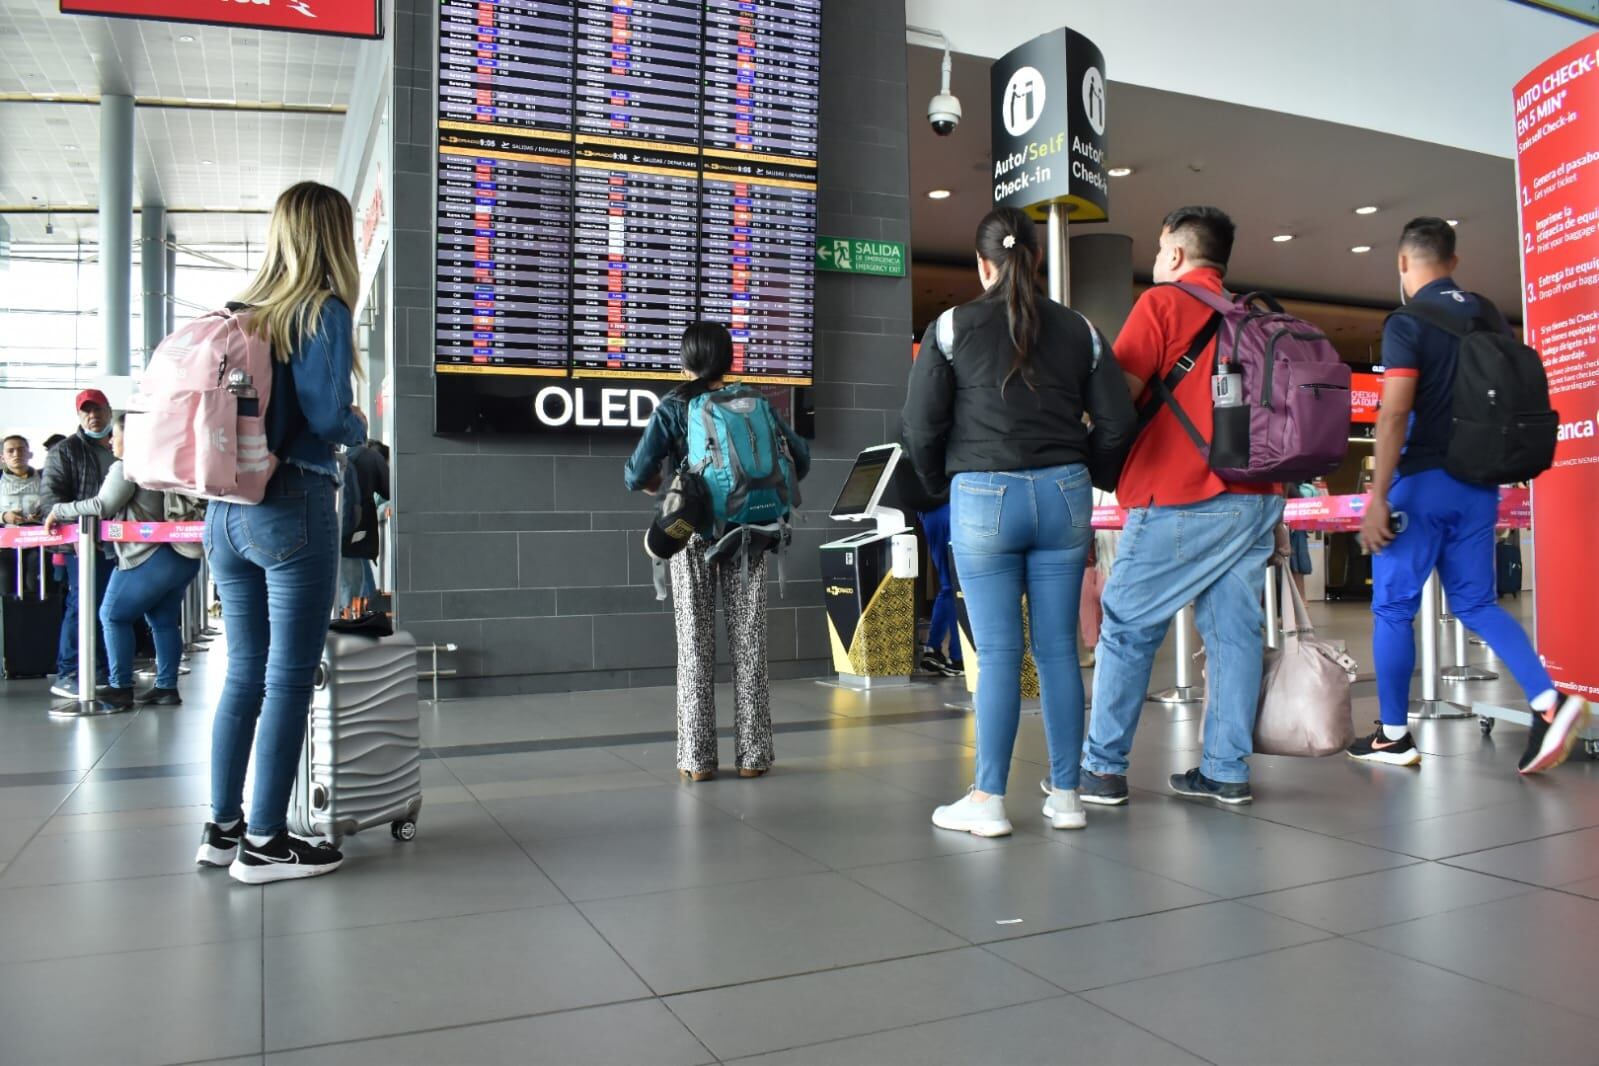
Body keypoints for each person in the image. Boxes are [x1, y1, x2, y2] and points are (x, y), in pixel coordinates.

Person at [903, 206, 1136, 836]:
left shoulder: (951, 328)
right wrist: (1088, 469)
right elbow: (1117, 421)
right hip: (1064, 494)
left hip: (982, 497)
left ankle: (989, 802)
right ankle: (1066, 797)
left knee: (1001, 653)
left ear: (983, 264)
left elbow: (920, 426)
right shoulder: (1079, 329)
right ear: (1033, 260)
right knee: (1059, 650)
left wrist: (939, 485)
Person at [1351, 217, 1587, 773]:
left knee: (1392, 607)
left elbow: (1395, 411)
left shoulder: (1407, 321)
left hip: (1422, 486)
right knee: (1477, 602)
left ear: (1403, 264)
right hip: (1481, 485)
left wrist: (1378, 495)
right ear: (1453, 262)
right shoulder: (1491, 318)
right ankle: (1548, 701)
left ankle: (1393, 735)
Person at [1081, 206, 1283, 808]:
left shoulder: (1162, 305)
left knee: (1126, 625)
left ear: (1173, 253)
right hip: (1256, 498)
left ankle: (1102, 769)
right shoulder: (1253, 318)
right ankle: (1224, 770)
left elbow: (1120, 400)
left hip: (1181, 494)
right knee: (1234, 635)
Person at [198, 182, 368, 884]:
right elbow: (329, 418)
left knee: (244, 672)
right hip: (291, 503)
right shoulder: (317, 310)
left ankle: (222, 826)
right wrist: (361, 430)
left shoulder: (243, 313)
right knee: (290, 676)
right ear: (333, 237)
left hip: (225, 513)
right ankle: (266, 843)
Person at [624, 322, 810, 783]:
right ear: (729, 361)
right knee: (750, 645)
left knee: (695, 644)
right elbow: (800, 460)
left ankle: (698, 759)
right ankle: (754, 756)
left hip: (694, 534)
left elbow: (636, 473)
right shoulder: (757, 403)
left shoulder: (673, 407)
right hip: (750, 533)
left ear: (687, 361)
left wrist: (659, 484)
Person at [44, 415, 201, 710]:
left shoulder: (128, 466)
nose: (110, 441)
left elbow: (102, 505)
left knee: (112, 615)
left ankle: (120, 688)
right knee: (164, 622)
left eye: (115, 436)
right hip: (180, 555)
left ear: (132, 438)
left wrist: (59, 510)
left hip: (146, 555)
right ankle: (166, 687)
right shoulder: (166, 463)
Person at [40, 390, 117, 698]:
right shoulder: (64, 451)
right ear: (79, 416)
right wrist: (73, 520)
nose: (92, 415)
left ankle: (101, 668)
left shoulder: (126, 445)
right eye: (85, 411)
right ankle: (70, 671)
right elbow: (50, 500)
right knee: (82, 604)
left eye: (97, 408)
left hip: (123, 543)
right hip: (83, 544)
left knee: (110, 606)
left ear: (109, 411)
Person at [338, 438, 390, 615]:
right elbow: (390, 490)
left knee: (347, 575)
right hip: (361, 526)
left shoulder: (337, 455)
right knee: (356, 572)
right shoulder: (372, 458)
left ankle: (344, 614)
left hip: (335, 526)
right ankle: (355, 615)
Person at [1, 436, 44, 527]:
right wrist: (3, 517)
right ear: (2, 458)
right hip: (4, 537)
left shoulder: (45, 477)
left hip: (39, 535)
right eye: (10, 451)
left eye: (21, 450)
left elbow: (56, 506)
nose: (16, 454)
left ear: (30, 454)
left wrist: (43, 515)